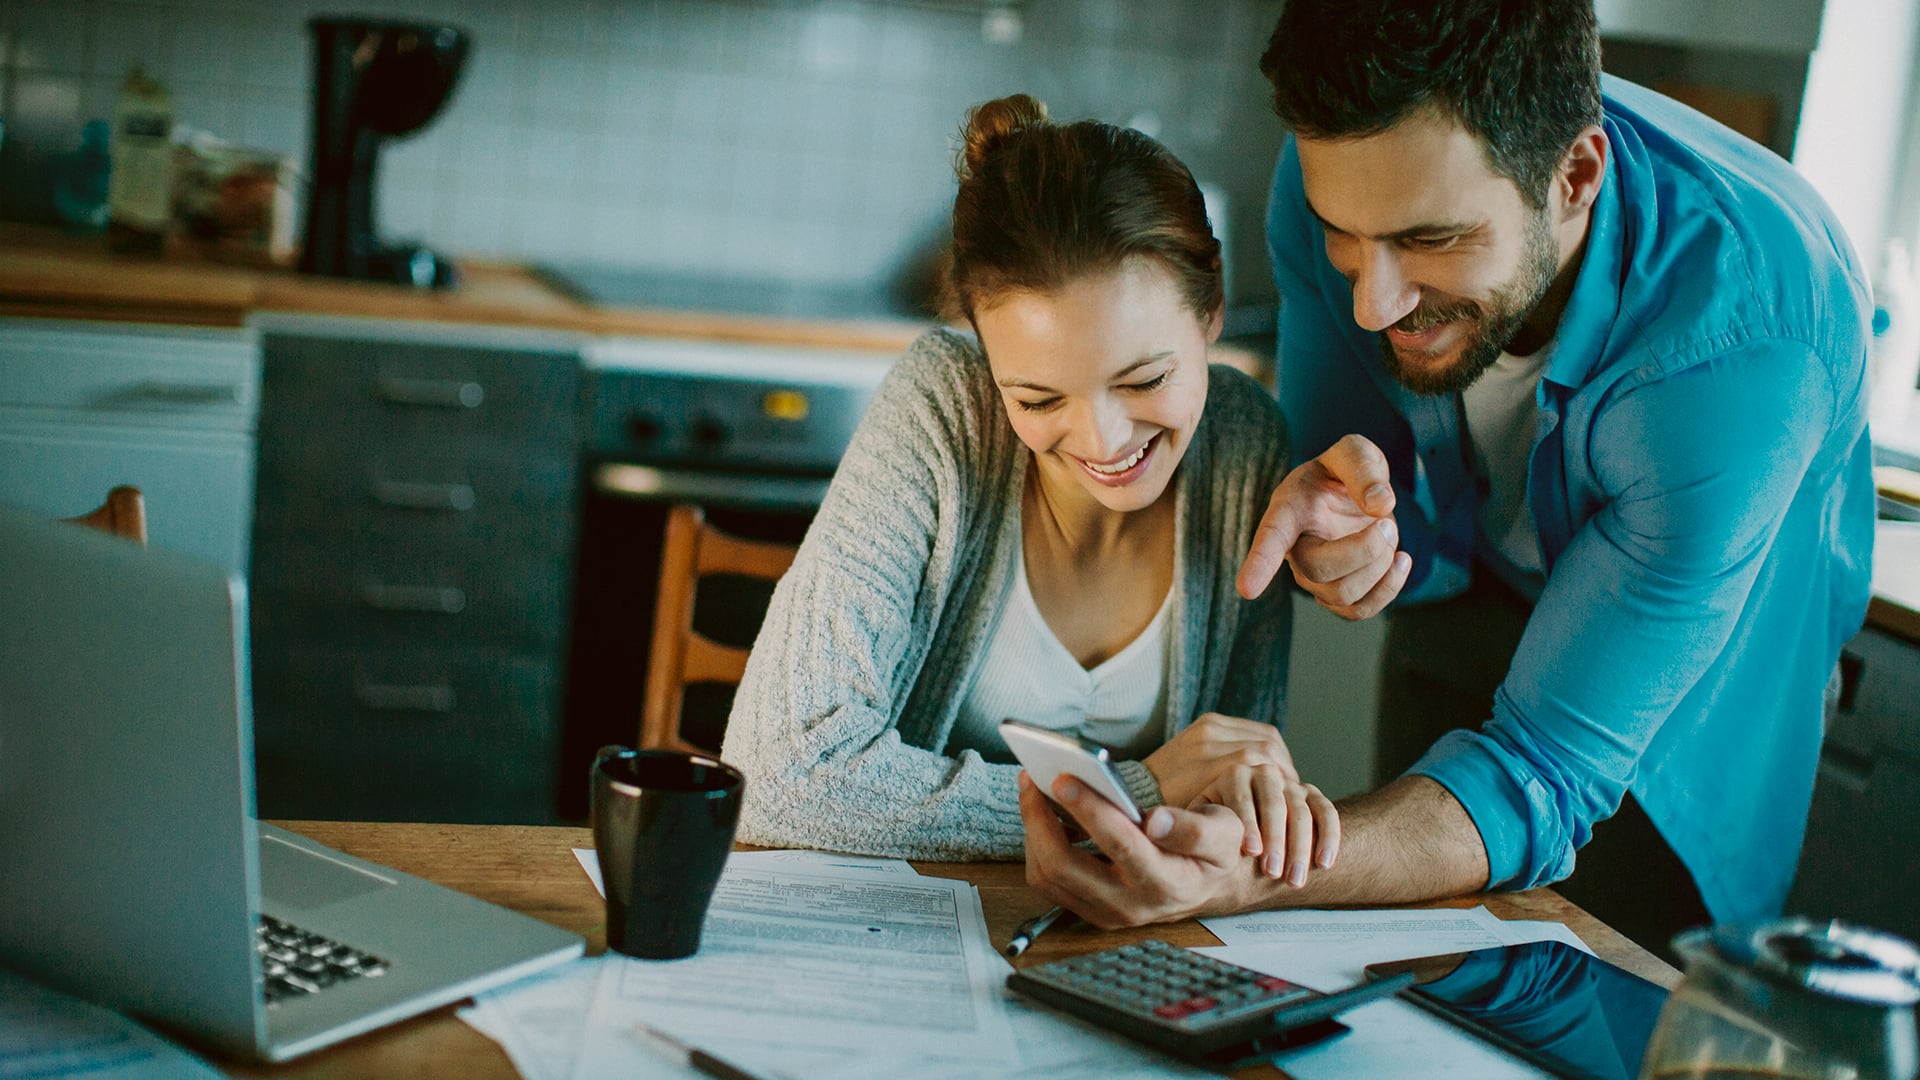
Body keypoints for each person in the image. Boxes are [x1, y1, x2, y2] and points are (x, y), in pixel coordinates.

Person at [1019, 0, 1875, 959]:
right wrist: (1363, 544)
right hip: (1474, 614)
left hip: (1693, 705)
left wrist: (1254, 872)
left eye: (1429, 240)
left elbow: (1543, 776)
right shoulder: (1333, 190)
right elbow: (1392, 511)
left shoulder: (1739, 353)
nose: (1374, 301)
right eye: (1349, 234)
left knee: (1616, 995)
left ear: (1575, 177)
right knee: (1421, 968)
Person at [722, 95, 1338, 883]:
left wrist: (1260, 819)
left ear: (1212, 303)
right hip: (901, 930)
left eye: (1145, 378)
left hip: (1114, 948)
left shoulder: (1245, 442)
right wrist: (1133, 795)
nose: (1104, 442)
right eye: (1040, 400)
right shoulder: (944, 405)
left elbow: (1230, 798)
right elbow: (779, 776)